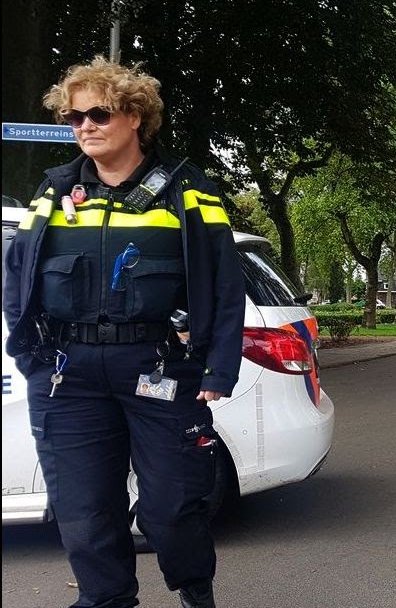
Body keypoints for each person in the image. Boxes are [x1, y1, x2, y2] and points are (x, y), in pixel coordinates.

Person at [3, 56, 244, 608]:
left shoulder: (187, 193)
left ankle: (194, 590)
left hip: (157, 367)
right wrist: (32, 359)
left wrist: (217, 367)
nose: (83, 126)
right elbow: (16, 279)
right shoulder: (54, 193)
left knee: (173, 506)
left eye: (98, 113)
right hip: (70, 376)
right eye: (72, 117)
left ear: (135, 116)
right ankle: (104, 600)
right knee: (83, 509)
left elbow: (224, 286)